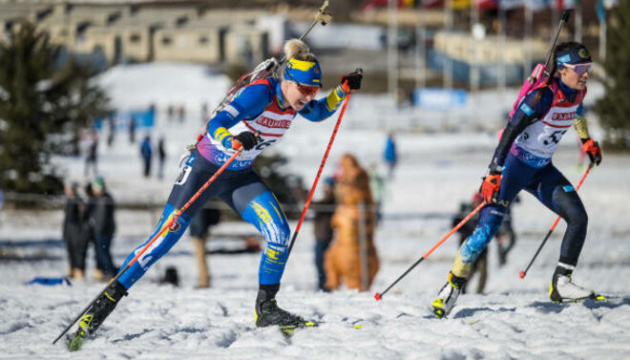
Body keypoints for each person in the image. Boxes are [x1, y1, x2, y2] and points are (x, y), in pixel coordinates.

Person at [68, 38, 363, 348]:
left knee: (278, 233)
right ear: (288, 80)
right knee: (162, 241)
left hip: (239, 176)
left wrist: (342, 91)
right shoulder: (261, 93)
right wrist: (233, 140)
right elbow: (217, 123)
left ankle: (266, 310)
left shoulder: (295, 102)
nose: (308, 97)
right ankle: (99, 309)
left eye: (313, 91)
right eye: (304, 89)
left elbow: (318, 113)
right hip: (204, 170)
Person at [431, 42, 603, 319]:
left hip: (541, 170)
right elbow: (511, 130)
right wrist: (494, 172)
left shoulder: (579, 91)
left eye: (588, 68)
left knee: (579, 217)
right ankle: (450, 288)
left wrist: (586, 140)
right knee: (486, 231)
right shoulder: (543, 96)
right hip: (513, 167)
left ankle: (561, 283)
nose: (585, 74)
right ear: (562, 70)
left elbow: (578, 111)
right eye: (580, 69)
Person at [324, 154, 379, 292]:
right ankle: (333, 281)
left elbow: (356, 186)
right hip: (343, 244)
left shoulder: (358, 176)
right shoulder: (347, 181)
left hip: (356, 249)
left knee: (354, 273)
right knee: (330, 256)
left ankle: (358, 290)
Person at [452, 193, 487, 294]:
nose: (477, 204)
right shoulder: (465, 212)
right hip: (467, 248)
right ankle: (462, 291)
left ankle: (480, 293)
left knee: (483, 272)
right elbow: (455, 224)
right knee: (468, 272)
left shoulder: (485, 213)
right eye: (475, 202)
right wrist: (466, 233)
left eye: (478, 202)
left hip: (482, 249)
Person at [90, 177, 117, 282]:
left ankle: (110, 272)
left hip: (103, 231)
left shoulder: (104, 200)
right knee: (102, 252)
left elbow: (102, 218)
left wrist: (98, 230)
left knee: (103, 252)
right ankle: (106, 270)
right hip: (103, 230)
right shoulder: (101, 199)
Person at [312, 177, 336, 291]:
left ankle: (324, 284)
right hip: (321, 234)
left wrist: (304, 195)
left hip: (324, 235)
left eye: (326, 185)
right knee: (319, 261)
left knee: (321, 261)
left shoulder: (331, 198)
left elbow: (316, 206)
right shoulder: (328, 198)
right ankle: (323, 284)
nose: (324, 187)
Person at [189, 204, 221, 288]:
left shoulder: (199, 205)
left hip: (199, 234)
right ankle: (203, 280)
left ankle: (204, 281)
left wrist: (198, 233)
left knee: (200, 257)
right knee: (200, 257)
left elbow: (199, 220)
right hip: (198, 233)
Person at [62, 182, 88, 280]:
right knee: (71, 251)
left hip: (77, 230)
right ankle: (71, 270)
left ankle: (79, 271)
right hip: (69, 229)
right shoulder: (69, 200)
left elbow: (82, 216)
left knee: (78, 252)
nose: (66, 191)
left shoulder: (79, 201)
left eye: (68, 189)